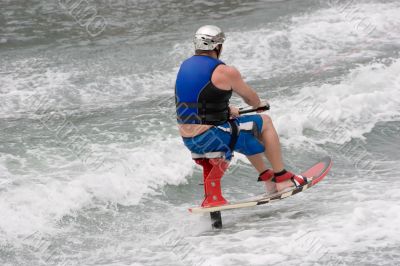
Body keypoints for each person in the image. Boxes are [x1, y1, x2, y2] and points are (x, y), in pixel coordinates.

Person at [175, 25, 307, 193]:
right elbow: (252, 100)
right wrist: (258, 104)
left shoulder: (185, 67)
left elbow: (195, 101)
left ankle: (268, 179)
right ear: (218, 46)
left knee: (243, 134)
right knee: (265, 122)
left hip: (189, 139)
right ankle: (282, 178)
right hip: (212, 135)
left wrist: (226, 109)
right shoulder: (224, 71)